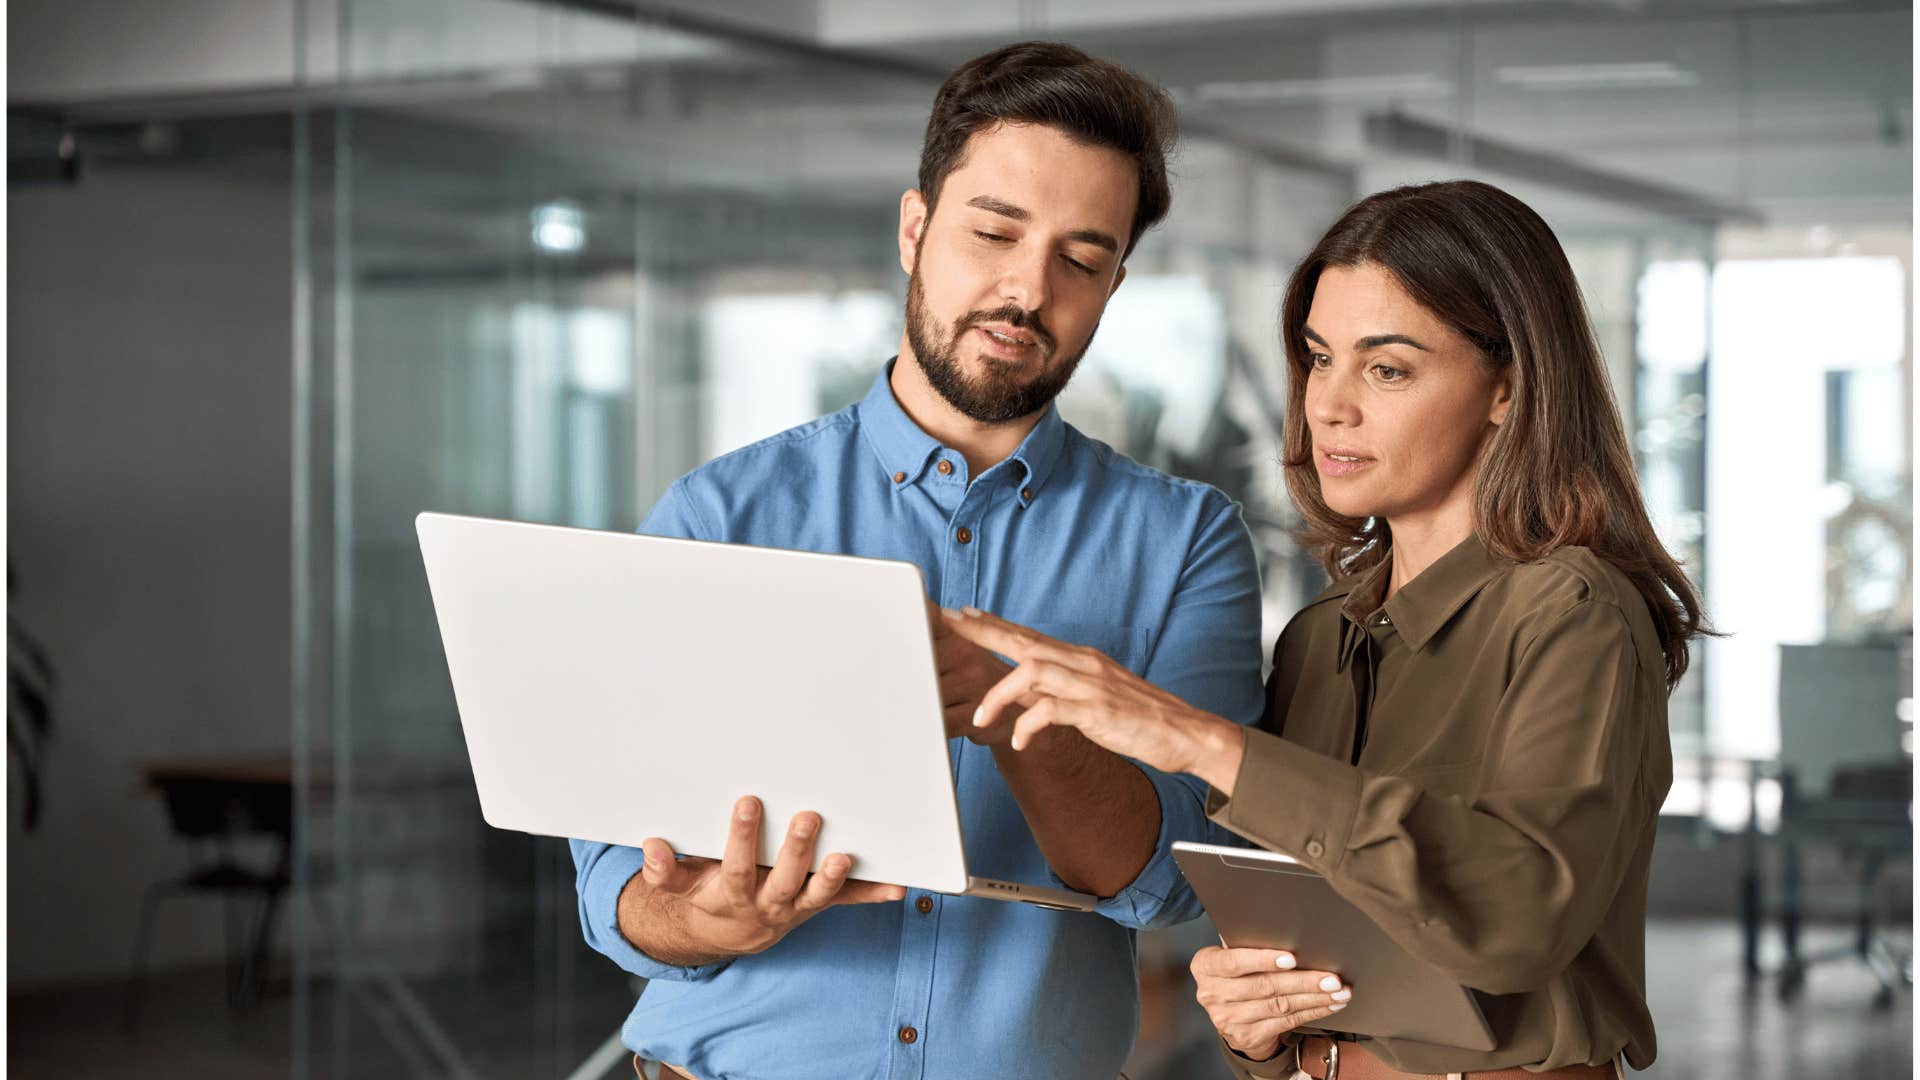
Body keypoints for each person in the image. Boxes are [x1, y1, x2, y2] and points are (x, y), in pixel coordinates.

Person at [568, 42, 1268, 1080]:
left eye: (1081, 260)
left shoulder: (1185, 541)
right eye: (993, 232)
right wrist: (700, 917)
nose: (1026, 290)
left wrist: (1013, 703)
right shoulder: (720, 514)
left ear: (1115, 284)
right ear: (914, 230)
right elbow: (612, 889)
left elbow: (1173, 883)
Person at [948, 179, 1704, 1080]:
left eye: (1387, 369)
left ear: (1507, 387)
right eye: (1318, 359)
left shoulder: (1574, 613)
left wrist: (1199, 741)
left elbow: (1517, 920)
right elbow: (1308, 958)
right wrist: (1252, 1021)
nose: (1329, 405)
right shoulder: (1317, 642)